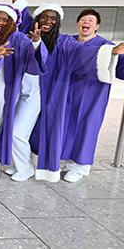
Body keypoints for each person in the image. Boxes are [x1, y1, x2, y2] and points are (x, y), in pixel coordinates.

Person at [8, 0, 124, 182]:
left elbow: (86, 53)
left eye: (53, 18)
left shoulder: (65, 42)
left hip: (47, 94)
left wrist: (113, 51)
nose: (48, 22)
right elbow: (21, 8)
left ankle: (52, 167)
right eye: (44, 17)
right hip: (26, 90)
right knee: (26, 131)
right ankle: (29, 163)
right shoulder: (30, 32)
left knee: (25, 131)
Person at [0, 2, 44, 186]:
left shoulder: (18, 38)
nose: (0, 22)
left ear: (12, 22)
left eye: (5, 19)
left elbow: (33, 61)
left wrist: (36, 42)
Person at [61, 9, 116, 182]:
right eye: (83, 19)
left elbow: (117, 68)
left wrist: (114, 53)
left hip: (92, 93)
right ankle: (64, 159)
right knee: (65, 123)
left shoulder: (106, 46)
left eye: (91, 20)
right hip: (68, 90)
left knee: (86, 125)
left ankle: (80, 166)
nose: (86, 22)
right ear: (78, 23)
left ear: (97, 26)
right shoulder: (67, 41)